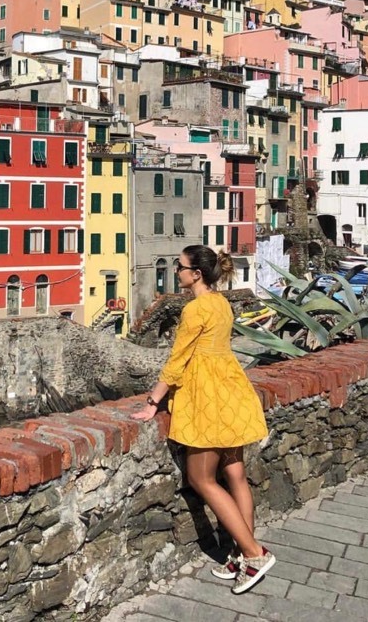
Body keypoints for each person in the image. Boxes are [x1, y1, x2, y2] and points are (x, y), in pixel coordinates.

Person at [132, 245, 275, 595]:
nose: (176, 272)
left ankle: (255, 554)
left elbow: (178, 360)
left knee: (200, 478)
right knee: (236, 475)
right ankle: (241, 554)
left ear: (195, 274)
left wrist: (153, 401)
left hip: (206, 396)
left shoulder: (195, 309)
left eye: (180, 267)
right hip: (231, 388)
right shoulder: (222, 303)